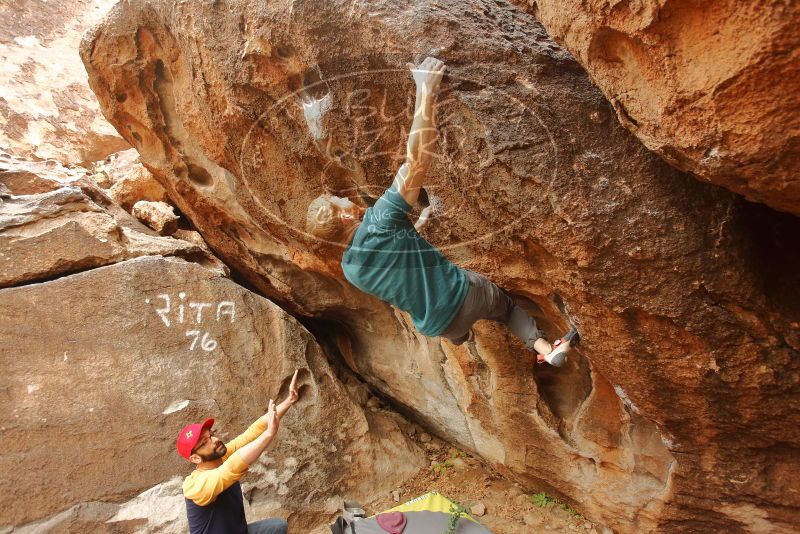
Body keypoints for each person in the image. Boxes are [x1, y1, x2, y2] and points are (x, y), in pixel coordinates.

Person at [306, 58, 574, 367]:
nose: (346, 198)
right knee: (507, 308)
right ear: (343, 218)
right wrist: (426, 88)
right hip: (465, 294)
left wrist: (415, 226)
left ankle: (467, 337)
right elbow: (417, 158)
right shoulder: (381, 218)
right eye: (341, 201)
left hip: (443, 326)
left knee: (467, 320)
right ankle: (544, 346)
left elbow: (396, 266)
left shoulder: (351, 270)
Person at [176, 370, 301, 534]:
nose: (214, 440)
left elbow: (251, 433)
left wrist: (289, 401)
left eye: (211, 435)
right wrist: (269, 434)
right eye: (205, 442)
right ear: (195, 458)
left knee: (277, 527)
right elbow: (231, 469)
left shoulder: (222, 458)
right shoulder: (195, 486)